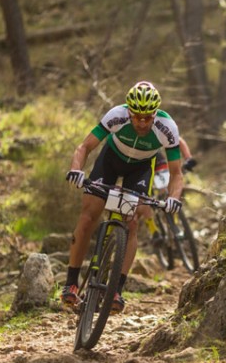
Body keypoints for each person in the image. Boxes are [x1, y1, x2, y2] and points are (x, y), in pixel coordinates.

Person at [62, 80, 185, 314]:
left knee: (131, 224)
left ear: (155, 114)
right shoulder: (116, 115)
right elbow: (84, 147)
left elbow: (176, 173)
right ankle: (71, 283)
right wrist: (77, 169)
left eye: (147, 117)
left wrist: (173, 198)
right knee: (88, 218)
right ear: (128, 111)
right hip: (110, 160)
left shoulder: (167, 127)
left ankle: (116, 289)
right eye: (136, 116)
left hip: (139, 169)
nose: (141, 122)